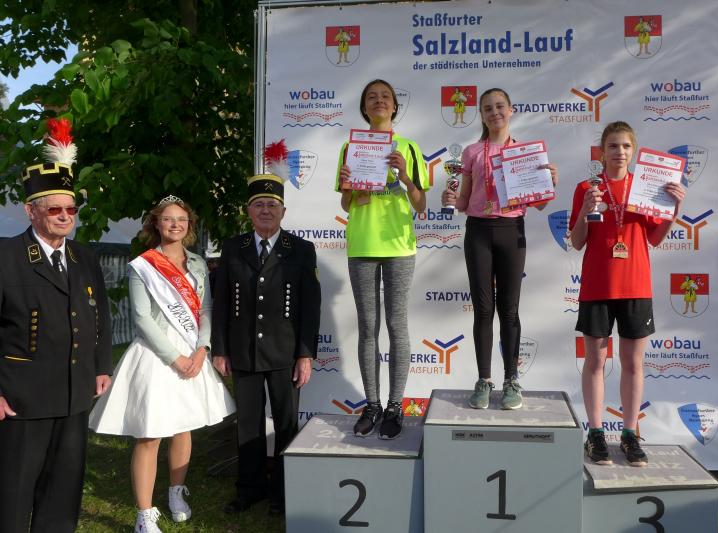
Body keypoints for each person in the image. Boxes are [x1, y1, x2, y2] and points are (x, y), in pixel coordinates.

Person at [89, 196, 236, 532]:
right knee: (151, 433)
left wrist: (202, 349)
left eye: (182, 220)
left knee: (184, 426)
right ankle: (144, 513)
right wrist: (176, 358)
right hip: (157, 355)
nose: (175, 225)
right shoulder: (143, 265)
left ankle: (176, 491)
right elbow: (142, 318)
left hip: (192, 349)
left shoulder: (197, 263)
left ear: (189, 225)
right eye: (168, 219)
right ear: (156, 223)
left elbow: (206, 309)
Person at [0, 119, 113, 532]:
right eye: (55, 209)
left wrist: (102, 366)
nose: (65, 216)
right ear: (31, 211)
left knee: (63, 492)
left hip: (74, 394)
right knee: (13, 493)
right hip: (22, 399)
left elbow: (99, 314)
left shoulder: (84, 257)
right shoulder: (7, 258)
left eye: (71, 209)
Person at [569, 121, 685, 466]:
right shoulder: (586, 188)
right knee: (595, 361)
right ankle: (595, 433)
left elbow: (655, 238)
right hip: (597, 285)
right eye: (613, 146)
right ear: (602, 151)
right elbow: (576, 241)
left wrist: (674, 210)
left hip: (636, 285)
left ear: (633, 151)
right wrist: (586, 209)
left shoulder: (646, 188)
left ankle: (630, 433)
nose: (619, 152)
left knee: (633, 363)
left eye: (626, 146)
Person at [212, 164, 321, 515]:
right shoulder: (234, 248)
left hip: (285, 353)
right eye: (258, 204)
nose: (265, 210)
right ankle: (249, 488)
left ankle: (283, 493)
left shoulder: (300, 249)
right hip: (243, 351)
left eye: (272, 205)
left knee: (287, 424)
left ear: (283, 211)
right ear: (248, 211)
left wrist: (305, 355)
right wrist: (220, 349)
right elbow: (221, 302)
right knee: (247, 424)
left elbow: (310, 307)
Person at [442, 88, 558, 411]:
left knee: (509, 309)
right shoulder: (471, 152)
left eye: (500, 106)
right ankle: (484, 380)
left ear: (511, 110)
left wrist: (549, 183)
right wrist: (451, 199)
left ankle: (511, 380)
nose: (495, 113)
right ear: (481, 115)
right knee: (483, 309)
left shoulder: (525, 154)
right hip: (478, 232)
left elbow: (539, 204)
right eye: (488, 108)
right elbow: (464, 201)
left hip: (511, 230)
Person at [336, 79, 429, 439]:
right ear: (364, 108)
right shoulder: (350, 147)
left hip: (399, 245)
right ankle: (372, 405)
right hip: (362, 243)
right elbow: (346, 204)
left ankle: (395, 405)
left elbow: (421, 204)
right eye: (372, 97)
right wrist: (349, 186)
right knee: (368, 327)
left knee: (396, 324)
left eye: (385, 97)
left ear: (394, 106)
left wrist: (405, 176)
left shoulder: (409, 147)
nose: (379, 101)